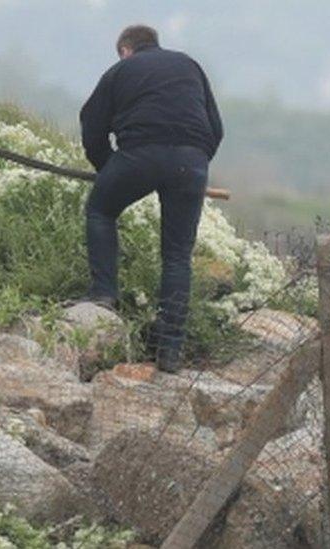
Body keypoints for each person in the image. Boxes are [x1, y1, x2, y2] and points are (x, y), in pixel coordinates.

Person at [79, 24, 223, 372]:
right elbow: (215, 129)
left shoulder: (120, 70)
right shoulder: (189, 65)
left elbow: (91, 124)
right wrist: (192, 166)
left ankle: (104, 294)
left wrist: (108, 169)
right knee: (177, 255)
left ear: (126, 50)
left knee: (100, 210)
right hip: (192, 161)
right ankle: (169, 349)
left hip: (140, 154)